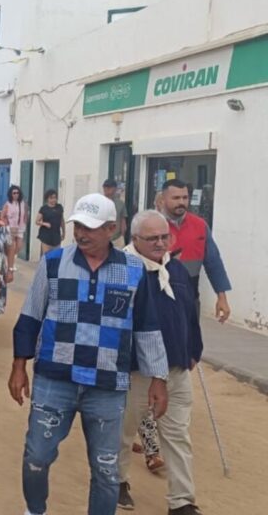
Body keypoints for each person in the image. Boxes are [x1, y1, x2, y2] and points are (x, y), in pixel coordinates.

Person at [9, 193, 169, 515]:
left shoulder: (134, 270)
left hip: (107, 385)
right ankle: (35, 510)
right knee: (37, 456)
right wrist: (18, 365)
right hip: (55, 378)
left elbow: (147, 327)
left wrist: (159, 378)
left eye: (91, 227)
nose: (81, 233)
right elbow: (30, 316)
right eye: (78, 225)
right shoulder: (53, 263)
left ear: (112, 228)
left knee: (107, 471)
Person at [116, 210, 204, 514]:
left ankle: (182, 501)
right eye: (152, 238)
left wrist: (193, 348)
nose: (160, 243)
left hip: (176, 368)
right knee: (124, 431)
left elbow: (190, 312)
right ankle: (118, 481)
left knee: (178, 434)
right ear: (135, 239)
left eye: (164, 236)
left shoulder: (176, 270)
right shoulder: (124, 269)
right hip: (137, 371)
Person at [161, 179, 232, 323]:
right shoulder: (151, 225)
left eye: (185, 197)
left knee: (190, 343)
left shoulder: (200, 226)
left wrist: (222, 297)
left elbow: (214, 263)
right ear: (163, 199)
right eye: (176, 198)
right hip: (157, 299)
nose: (181, 202)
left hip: (190, 299)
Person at [1, 184, 27, 262]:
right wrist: (7, 225)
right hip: (11, 227)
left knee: (19, 246)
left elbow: (25, 214)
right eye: (14, 193)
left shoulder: (22, 203)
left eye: (17, 193)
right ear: (11, 194)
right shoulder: (8, 204)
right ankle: (10, 262)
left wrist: (25, 222)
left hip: (20, 227)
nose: (16, 194)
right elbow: (3, 216)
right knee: (12, 245)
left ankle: (9, 257)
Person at [35, 189, 65, 254]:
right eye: (51, 198)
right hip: (46, 235)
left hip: (56, 235)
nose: (53, 200)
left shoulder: (59, 207)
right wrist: (44, 224)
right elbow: (37, 221)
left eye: (55, 198)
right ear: (47, 199)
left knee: (56, 256)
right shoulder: (44, 208)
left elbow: (62, 220)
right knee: (47, 257)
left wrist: (64, 233)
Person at [103, 179, 127, 247]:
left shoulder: (120, 203)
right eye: (105, 187)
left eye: (109, 187)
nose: (106, 189)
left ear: (115, 189)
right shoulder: (99, 202)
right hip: (103, 238)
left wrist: (122, 236)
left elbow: (123, 221)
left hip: (117, 239)